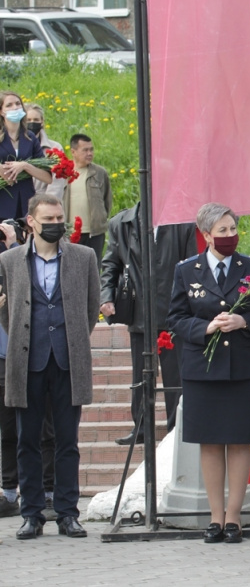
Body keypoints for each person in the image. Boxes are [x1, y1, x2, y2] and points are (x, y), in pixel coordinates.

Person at [166, 203, 250, 544]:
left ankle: (234, 518)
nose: (229, 236)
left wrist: (244, 321)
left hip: (244, 368)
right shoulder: (187, 270)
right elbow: (176, 318)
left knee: (240, 442)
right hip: (203, 368)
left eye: (232, 229)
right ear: (206, 234)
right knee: (211, 443)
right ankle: (214, 518)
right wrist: (205, 327)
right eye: (222, 230)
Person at [0, 194, 100, 540]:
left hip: (67, 360)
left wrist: (70, 339)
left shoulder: (84, 257)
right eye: (49, 219)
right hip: (27, 360)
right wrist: (26, 340)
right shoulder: (10, 260)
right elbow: (7, 313)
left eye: (60, 217)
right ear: (31, 221)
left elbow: (91, 308)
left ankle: (68, 512)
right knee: (27, 439)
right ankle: (31, 514)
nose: (56, 223)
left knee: (66, 440)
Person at [100, 204, 198, 444]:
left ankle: (177, 427)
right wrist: (106, 296)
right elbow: (110, 264)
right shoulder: (121, 223)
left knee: (175, 375)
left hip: (173, 313)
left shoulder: (181, 223)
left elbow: (192, 266)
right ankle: (141, 427)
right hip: (139, 310)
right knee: (140, 373)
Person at [0, 220, 55, 519]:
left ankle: (47, 492)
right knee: (10, 429)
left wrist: (12, 243)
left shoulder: (16, 257)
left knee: (45, 427)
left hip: (29, 353)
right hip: (7, 355)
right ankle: (9, 491)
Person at [0, 91, 52, 220]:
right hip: (3, 203)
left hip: (25, 204)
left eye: (18, 104)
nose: (15, 108)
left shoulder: (30, 137)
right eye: (9, 105)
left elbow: (47, 177)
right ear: (1, 111)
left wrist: (25, 166)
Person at [62, 134, 112, 266]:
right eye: (85, 150)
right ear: (73, 152)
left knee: (94, 268)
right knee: (72, 268)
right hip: (70, 233)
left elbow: (107, 201)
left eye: (91, 149)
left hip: (94, 232)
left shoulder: (99, 173)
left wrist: (101, 219)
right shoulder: (64, 173)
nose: (89, 153)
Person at [24, 104, 64, 199]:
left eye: (36, 120)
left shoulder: (54, 147)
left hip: (44, 201)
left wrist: (47, 203)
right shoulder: (14, 145)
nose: (32, 123)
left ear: (42, 122)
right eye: (28, 120)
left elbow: (57, 182)